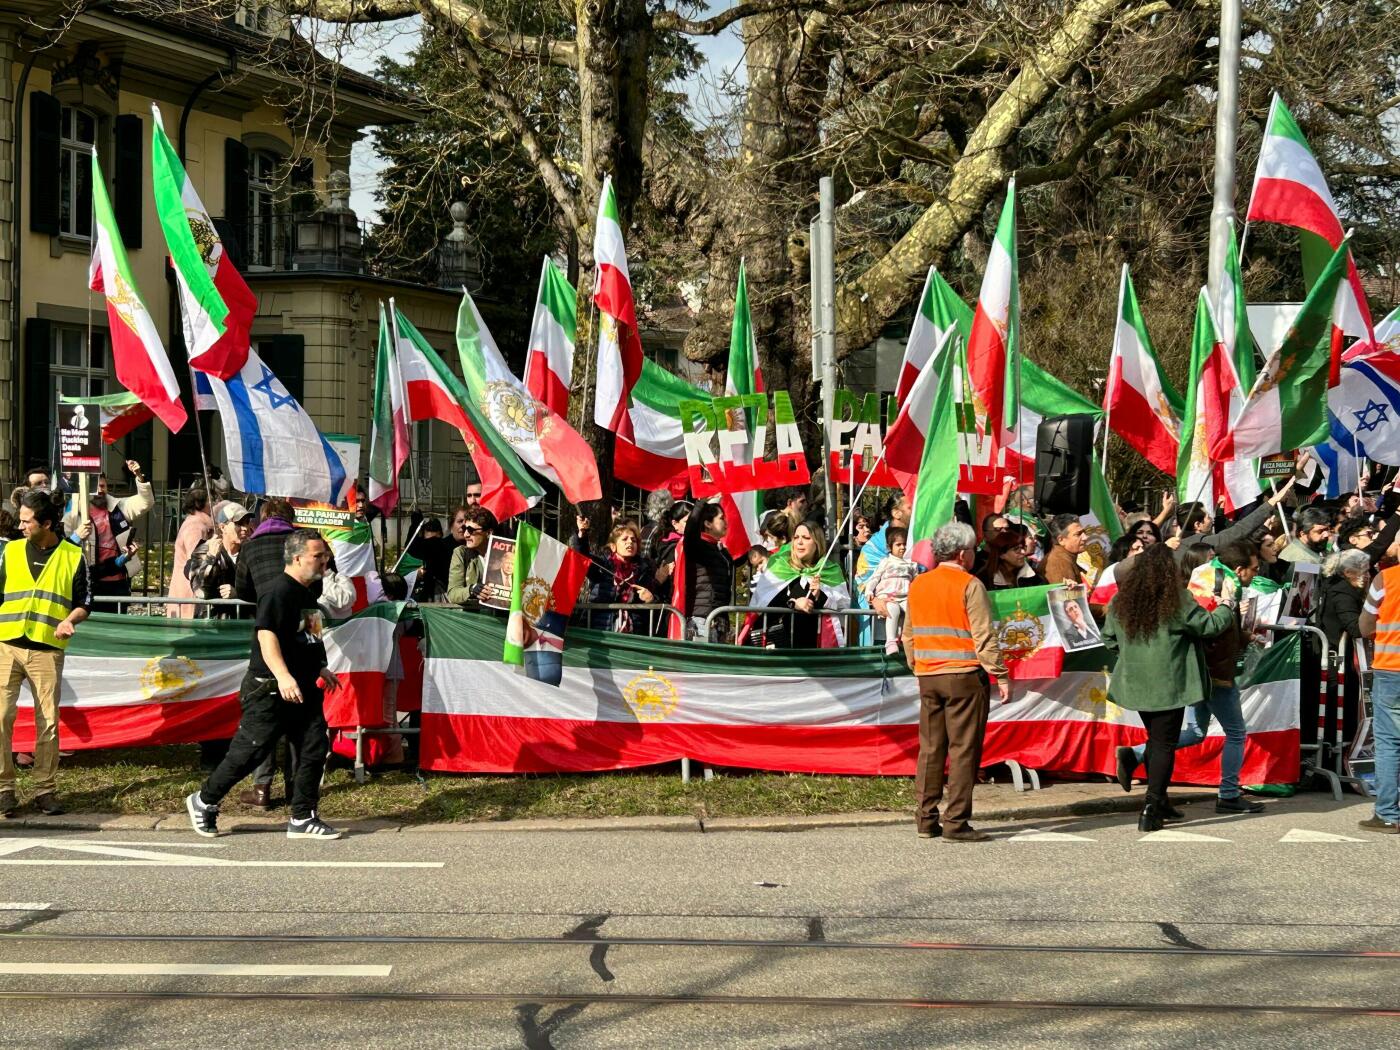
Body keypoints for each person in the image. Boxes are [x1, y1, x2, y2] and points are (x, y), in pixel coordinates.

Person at [187, 530, 344, 840]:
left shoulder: (309, 590)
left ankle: (303, 816)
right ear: (297, 558)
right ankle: (204, 800)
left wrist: (322, 666)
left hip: (302, 687)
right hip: (270, 687)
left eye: (325, 555)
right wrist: (283, 677)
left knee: (314, 746)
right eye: (318, 555)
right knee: (250, 752)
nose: (324, 560)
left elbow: (311, 630)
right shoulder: (278, 591)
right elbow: (266, 636)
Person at [1101, 543, 1236, 831]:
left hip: (1135, 682)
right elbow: (1209, 626)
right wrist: (1227, 606)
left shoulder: (1121, 600)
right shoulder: (1176, 598)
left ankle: (1160, 801)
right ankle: (1151, 807)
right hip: (1169, 682)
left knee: (1156, 739)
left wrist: (1130, 656)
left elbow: (1109, 639)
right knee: (1164, 744)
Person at [901, 522, 1007, 843]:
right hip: (964, 677)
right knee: (963, 750)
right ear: (963, 554)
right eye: (973, 550)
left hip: (929, 676)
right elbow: (983, 635)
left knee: (931, 749)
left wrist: (918, 666)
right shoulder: (969, 584)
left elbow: (908, 635)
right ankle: (956, 822)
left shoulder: (918, 584)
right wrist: (999, 673)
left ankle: (925, 819)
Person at [0, 491, 91, 817]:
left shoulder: (73, 555)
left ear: (47, 524)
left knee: (48, 723)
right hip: (7, 645)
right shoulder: (9, 551)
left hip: (46, 650)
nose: (20, 524)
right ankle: (4, 790)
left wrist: (70, 619)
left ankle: (45, 790)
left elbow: (85, 602)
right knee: (0, 718)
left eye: (26, 521)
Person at [61, 459, 152, 602]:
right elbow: (64, 545)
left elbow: (145, 502)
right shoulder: (74, 513)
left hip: (119, 578)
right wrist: (77, 535)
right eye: (95, 487)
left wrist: (139, 476)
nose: (99, 490)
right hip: (89, 578)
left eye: (103, 486)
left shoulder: (118, 507)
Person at [572, 517, 666, 633]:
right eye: (624, 539)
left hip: (633, 633)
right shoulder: (603, 567)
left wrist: (651, 599)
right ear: (613, 546)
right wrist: (582, 534)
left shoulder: (644, 569)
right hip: (602, 631)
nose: (630, 542)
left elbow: (658, 600)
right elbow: (582, 557)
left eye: (633, 540)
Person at [761, 522, 847, 649]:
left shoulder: (831, 571)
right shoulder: (778, 566)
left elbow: (844, 606)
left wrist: (820, 595)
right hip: (781, 651)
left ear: (817, 543)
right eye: (796, 538)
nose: (799, 542)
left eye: (806, 538)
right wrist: (793, 603)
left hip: (816, 650)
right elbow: (762, 605)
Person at [186, 503, 254, 619]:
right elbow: (200, 591)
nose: (245, 528)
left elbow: (262, 587)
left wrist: (239, 593)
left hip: (245, 624)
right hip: (213, 627)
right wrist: (210, 559)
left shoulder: (252, 551)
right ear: (222, 527)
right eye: (238, 523)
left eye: (247, 523)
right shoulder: (204, 550)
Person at [679, 502, 736, 641]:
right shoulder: (698, 547)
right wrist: (701, 504)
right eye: (721, 518)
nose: (726, 522)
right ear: (708, 524)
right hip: (702, 619)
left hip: (719, 617)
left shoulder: (720, 550)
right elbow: (690, 534)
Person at [864, 527, 920, 654]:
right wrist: (869, 591)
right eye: (898, 544)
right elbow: (875, 578)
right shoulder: (886, 562)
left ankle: (907, 639)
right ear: (890, 547)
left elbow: (916, 582)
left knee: (912, 611)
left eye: (905, 544)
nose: (902, 547)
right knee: (893, 610)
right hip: (889, 596)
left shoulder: (911, 564)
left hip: (906, 596)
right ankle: (890, 641)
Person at [167, 487, 215, 618]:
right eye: (211, 501)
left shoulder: (196, 523)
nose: (213, 504)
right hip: (189, 589)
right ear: (201, 504)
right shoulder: (195, 527)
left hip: (187, 587)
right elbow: (195, 561)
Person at [1316, 547, 1369, 649]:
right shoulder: (1342, 593)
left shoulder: (1336, 585)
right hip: (1335, 653)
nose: (1367, 576)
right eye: (1364, 571)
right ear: (1348, 572)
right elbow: (1356, 629)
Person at [445, 506, 496, 609]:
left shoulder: (505, 554)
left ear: (489, 532)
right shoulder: (461, 553)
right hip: (472, 618)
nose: (466, 534)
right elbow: (453, 593)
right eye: (464, 529)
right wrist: (472, 589)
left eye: (471, 530)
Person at [407, 509, 457, 601]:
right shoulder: (446, 544)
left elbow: (411, 547)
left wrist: (415, 525)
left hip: (439, 593)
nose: (430, 544)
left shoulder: (438, 545)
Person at [978, 524, 1046, 591]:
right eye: (1016, 549)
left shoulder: (1034, 577)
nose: (1022, 552)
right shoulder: (984, 581)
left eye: (1022, 548)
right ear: (1001, 554)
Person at [1042, 514, 1088, 586]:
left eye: (1084, 532)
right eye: (1078, 534)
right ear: (1061, 540)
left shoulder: (1064, 556)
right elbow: (1069, 595)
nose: (1085, 537)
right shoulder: (1059, 562)